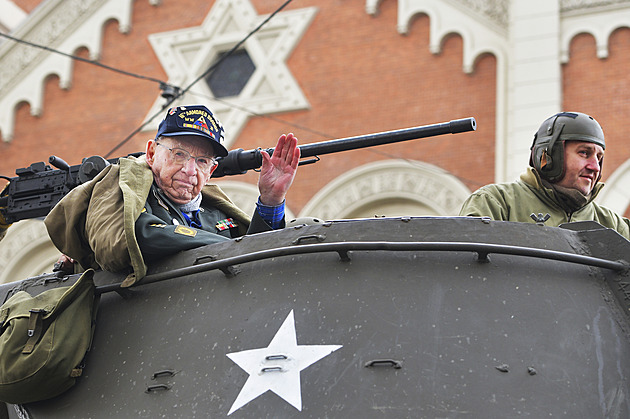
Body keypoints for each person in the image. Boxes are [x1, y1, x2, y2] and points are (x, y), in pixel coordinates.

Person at [44, 105, 300, 286]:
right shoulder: (125, 190)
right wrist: (227, 248)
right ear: (152, 153)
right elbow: (135, 238)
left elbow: (258, 261)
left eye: (201, 161)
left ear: (211, 171)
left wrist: (270, 200)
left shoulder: (218, 214)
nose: (189, 170)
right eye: (179, 154)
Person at [459, 111, 629, 240]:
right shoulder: (496, 203)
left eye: (599, 158)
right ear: (548, 157)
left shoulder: (614, 226)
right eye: (584, 153)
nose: (595, 167)